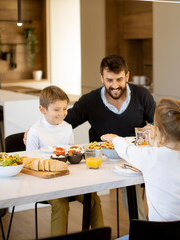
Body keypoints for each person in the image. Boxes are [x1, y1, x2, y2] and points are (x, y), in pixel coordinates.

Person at [64, 54, 156, 219]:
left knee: (133, 180)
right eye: (109, 80)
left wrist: (150, 129)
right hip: (102, 162)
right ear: (101, 78)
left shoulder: (142, 95)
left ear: (127, 76)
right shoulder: (89, 101)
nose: (115, 86)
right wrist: (38, 128)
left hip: (132, 158)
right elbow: (64, 123)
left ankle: (142, 228)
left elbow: (158, 123)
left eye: (119, 79)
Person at [101, 97, 180, 223]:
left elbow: (127, 149)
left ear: (159, 131)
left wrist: (114, 138)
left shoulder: (150, 157)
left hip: (159, 234)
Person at [26, 85, 104, 236]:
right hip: (45, 182)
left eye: (65, 109)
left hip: (67, 179)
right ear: (42, 110)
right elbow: (31, 165)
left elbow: (69, 155)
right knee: (61, 204)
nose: (62, 113)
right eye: (56, 109)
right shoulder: (35, 132)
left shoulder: (67, 128)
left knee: (92, 198)